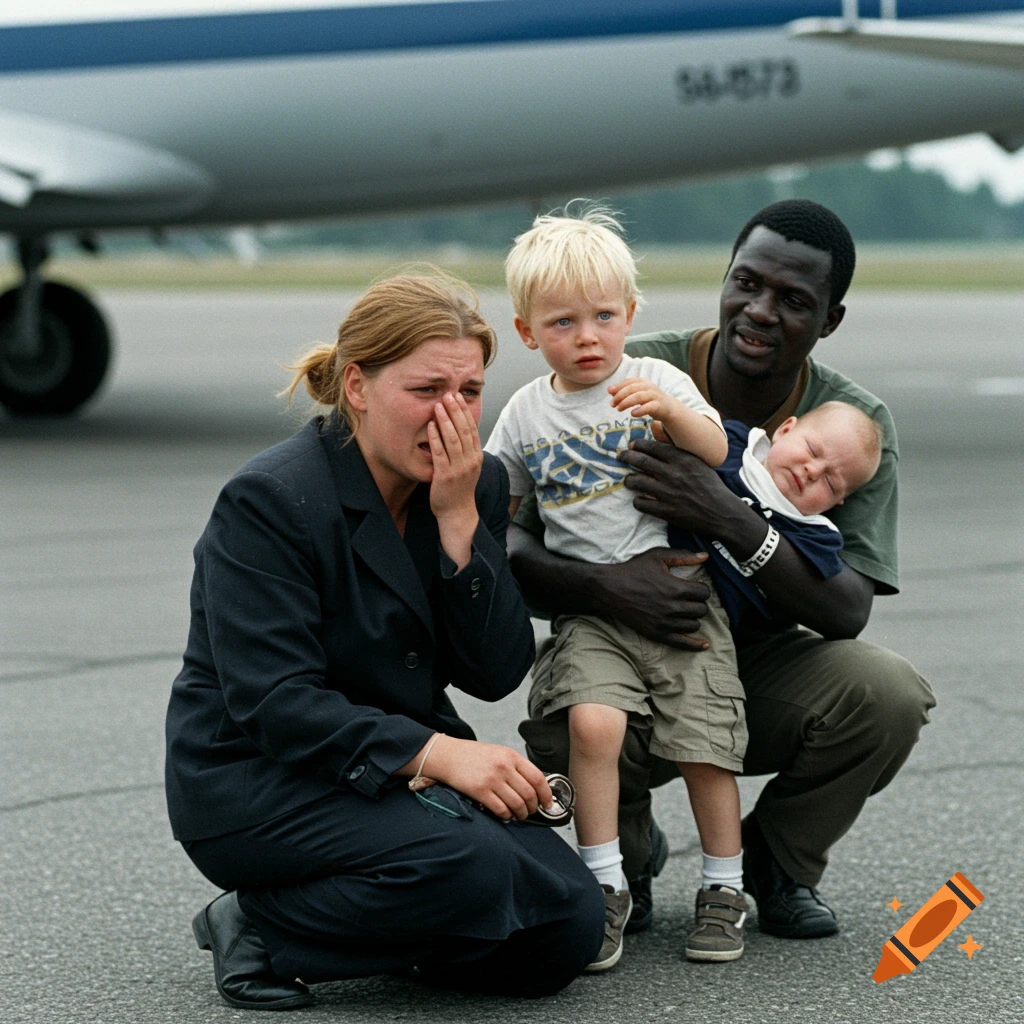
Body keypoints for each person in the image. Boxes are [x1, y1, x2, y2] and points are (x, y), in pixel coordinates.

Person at [164, 272, 605, 1011]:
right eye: (428, 389)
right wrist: (435, 753)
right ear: (358, 386)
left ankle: (403, 923)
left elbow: (496, 671)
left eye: (468, 393)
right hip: (260, 778)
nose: (451, 416)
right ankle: (257, 925)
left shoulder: (477, 486)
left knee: (568, 923)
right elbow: (273, 701)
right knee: (474, 872)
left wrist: (462, 525)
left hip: (398, 776)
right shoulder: (271, 499)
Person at [511, 199, 936, 941]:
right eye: (747, 283)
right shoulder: (619, 367)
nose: (761, 310)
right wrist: (605, 587)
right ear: (727, 279)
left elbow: (844, 609)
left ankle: (775, 866)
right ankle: (629, 861)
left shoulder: (852, 425)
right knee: (568, 724)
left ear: (830, 320)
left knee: (887, 695)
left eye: (795, 301)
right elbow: (508, 544)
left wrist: (727, 515)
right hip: (624, 636)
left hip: (756, 655)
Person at [486, 205, 754, 968]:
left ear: (631, 315)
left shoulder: (653, 378)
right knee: (592, 729)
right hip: (594, 616)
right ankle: (605, 886)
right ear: (528, 332)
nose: (589, 337)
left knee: (706, 750)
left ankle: (723, 889)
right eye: (563, 322)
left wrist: (671, 411)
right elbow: (499, 503)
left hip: (680, 600)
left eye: (604, 316)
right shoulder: (526, 412)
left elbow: (715, 451)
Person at [683, 401, 884, 637]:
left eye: (830, 482)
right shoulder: (732, 444)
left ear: (837, 502)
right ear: (785, 430)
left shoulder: (815, 536)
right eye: (812, 450)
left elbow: (814, 595)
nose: (813, 471)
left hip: (709, 629)